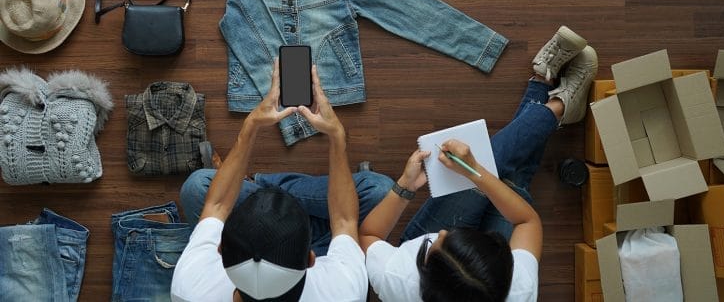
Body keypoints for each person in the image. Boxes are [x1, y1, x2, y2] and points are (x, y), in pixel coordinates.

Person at [360, 26, 598, 302]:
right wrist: (476, 171)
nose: (443, 232)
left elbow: (368, 234)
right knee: (511, 182)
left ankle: (544, 89)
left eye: (436, 242)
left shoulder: (399, 277)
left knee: (503, 180)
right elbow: (525, 220)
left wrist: (405, 187)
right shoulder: (519, 289)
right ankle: (556, 105)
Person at [171, 60, 392, 302]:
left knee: (197, 187)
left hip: (300, 248)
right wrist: (336, 136)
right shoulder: (342, 290)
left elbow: (216, 206)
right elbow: (344, 219)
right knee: (379, 191)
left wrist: (251, 125)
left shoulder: (190, 290)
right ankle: (278, 196)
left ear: (220, 250)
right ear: (311, 259)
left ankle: (261, 186)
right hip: (326, 239)